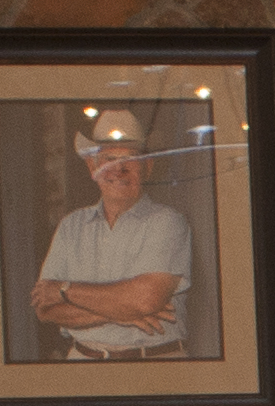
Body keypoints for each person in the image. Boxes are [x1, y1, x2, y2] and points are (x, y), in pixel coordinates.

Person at [25, 110, 191, 360]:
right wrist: (123, 310)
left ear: (148, 166)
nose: (119, 170)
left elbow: (145, 301)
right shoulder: (71, 226)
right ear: (92, 166)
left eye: (131, 160)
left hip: (155, 364)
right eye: (109, 159)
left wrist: (64, 289)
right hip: (83, 363)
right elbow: (45, 309)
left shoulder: (168, 222)